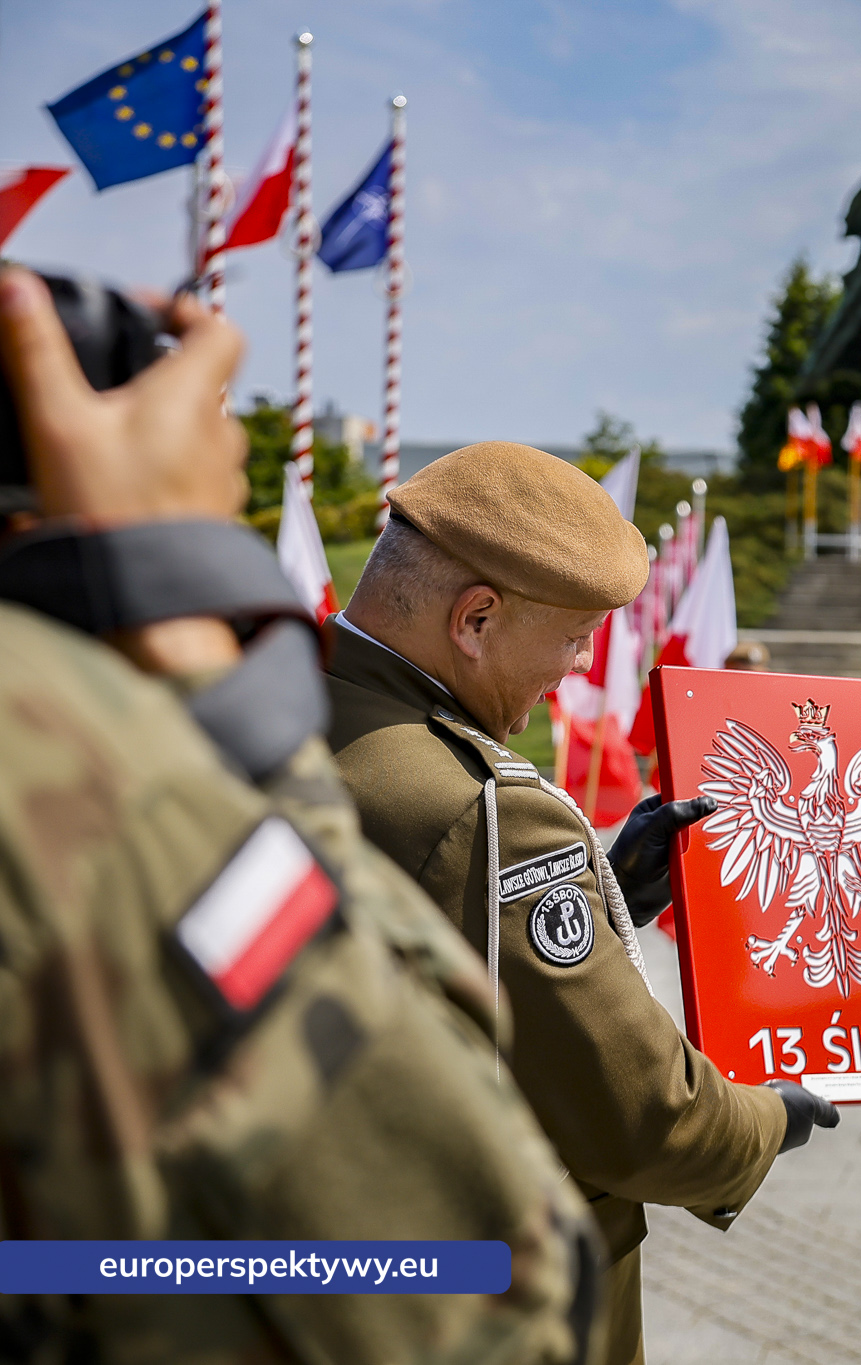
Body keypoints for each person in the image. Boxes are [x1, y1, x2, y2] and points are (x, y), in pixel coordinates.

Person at [0, 269, 603, 1362]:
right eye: (572, 643)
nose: (579, 670)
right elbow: (481, 1284)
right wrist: (185, 638)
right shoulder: (70, 759)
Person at [323, 442, 838, 1365]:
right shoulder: (484, 809)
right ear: (475, 618)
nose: (578, 665)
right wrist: (769, 1121)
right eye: (571, 636)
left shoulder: (284, 704)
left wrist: (604, 895)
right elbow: (641, 1114)